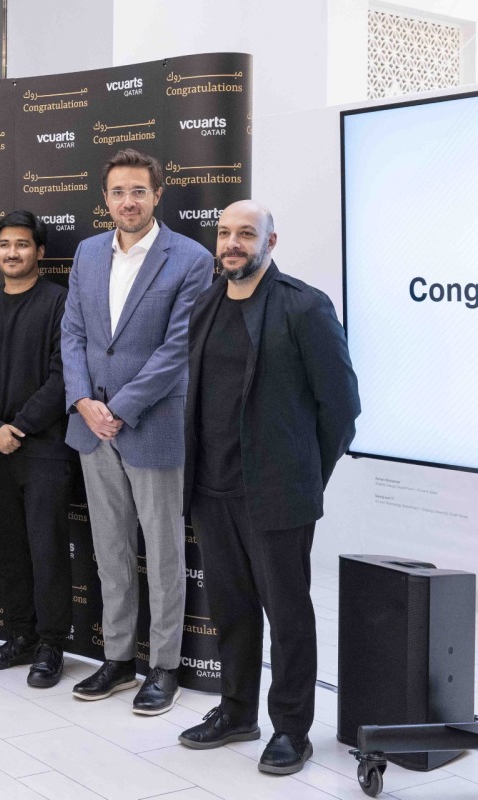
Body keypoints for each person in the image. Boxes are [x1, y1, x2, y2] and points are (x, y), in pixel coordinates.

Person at [177, 201, 360, 775]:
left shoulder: (303, 307)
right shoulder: (205, 304)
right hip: (211, 488)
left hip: (277, 493)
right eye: (225, 232)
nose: (232, 243)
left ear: (270, 242)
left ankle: (291, 729)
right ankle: (236, 712)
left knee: (287, 614)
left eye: (246, 234)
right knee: (231, 609)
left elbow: (342, 407)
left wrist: (305, 472)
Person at [62, 148, 213, 715]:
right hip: (91, 428)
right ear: (105, 198)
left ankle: (165, 666)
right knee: (110, 550)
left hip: (152, 424)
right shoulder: (87, 252)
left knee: (164, 549)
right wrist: (83, 400)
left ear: (158, 195)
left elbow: (180, 348)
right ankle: (120, 658)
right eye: (118, 192)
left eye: (138, 192)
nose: (128, 201)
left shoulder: (191, 259)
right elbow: (73, 333)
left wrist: (119, 407)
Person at [0, 211, 73, 688]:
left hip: (45, 450)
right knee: (8, 549)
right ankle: (19, 636)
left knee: (47, 549)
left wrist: (18, 427)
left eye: (22, 244)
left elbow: (63, 375)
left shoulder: (60, 304)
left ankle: (51, 645)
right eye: (4, 244)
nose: (12, 252)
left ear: (40, 252)